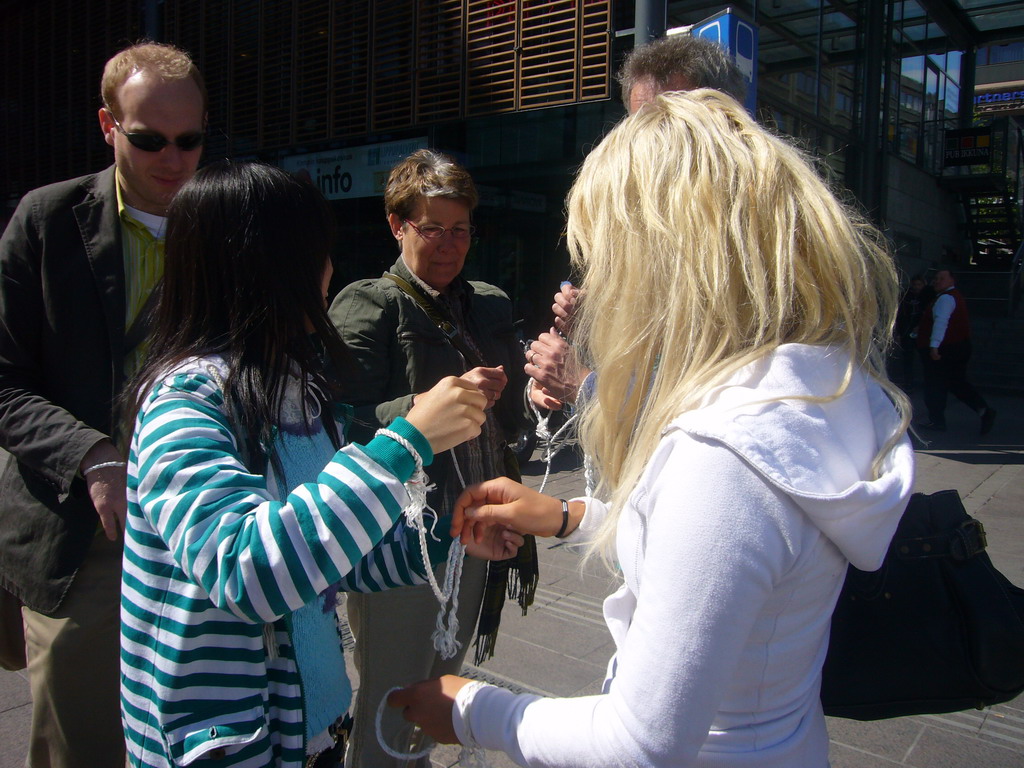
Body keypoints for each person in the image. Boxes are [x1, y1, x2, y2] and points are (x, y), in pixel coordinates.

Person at [390, 89, 916, 768]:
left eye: (608, 251)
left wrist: (470, 710)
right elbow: (720, 555)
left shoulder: (724, 457)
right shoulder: (813, 387)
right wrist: (570, 514)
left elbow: (639, 743)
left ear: (668, 257)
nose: (600, 279)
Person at [119, 160, 522, 768]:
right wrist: (407, 440)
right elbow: (245, 571)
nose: (330, 272)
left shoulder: (292, 388)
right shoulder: (184, 401)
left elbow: (334, 558)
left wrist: (448, 542)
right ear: (267, 268)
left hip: (312, 730)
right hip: (224, 746)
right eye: (318, 254)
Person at [0, 42, 206, 768]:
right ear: (107, 125)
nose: (174, 160)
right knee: (79, 746)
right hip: (78, 539)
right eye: (150, 139)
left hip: (194, 537)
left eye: (190, 141)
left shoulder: (222, 227)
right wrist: (90, 452)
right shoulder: (47, 220)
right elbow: (4, 382)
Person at [329, 149, 535, 767]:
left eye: (461, 229)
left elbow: (516, 414)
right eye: (432, 228)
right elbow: (342, 422)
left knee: (437, 698)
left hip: (475, 529)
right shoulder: (369, 303)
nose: (449, 245)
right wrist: (425, 406)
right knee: (391, 704)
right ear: (397, 226)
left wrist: (539, 386)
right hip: (403, 539)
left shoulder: (488, 303)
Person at [526, 34, 747, 411]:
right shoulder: (643, 227)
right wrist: (594, 330)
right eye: (639, 124)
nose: (645, 144)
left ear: (726, 119)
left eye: (671, 123)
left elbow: (716, 427)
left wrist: (585, 386)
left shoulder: (760, 243)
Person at [916, 268, 996, 435]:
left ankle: (936, 420)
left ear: (952, 281)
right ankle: (983, 410)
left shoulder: (946, 298)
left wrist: (934, 346)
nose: (937, 281)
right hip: (957, 347)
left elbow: (941, 322)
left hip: (947, 349)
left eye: (942, 278)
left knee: (935, 384)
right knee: (956, 383)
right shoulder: (951, 297)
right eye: (936, 278)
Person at [893, 274, 930, 391]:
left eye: (919, 285)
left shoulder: (928, 296)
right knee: (907, 358)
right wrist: (899, 332)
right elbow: (901, 316)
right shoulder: (907, 297)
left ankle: (928, 382)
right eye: (915, 285)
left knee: (925, 358)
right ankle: (908, 382)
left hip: (922, 331)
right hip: (907, 330)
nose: (917, 287)